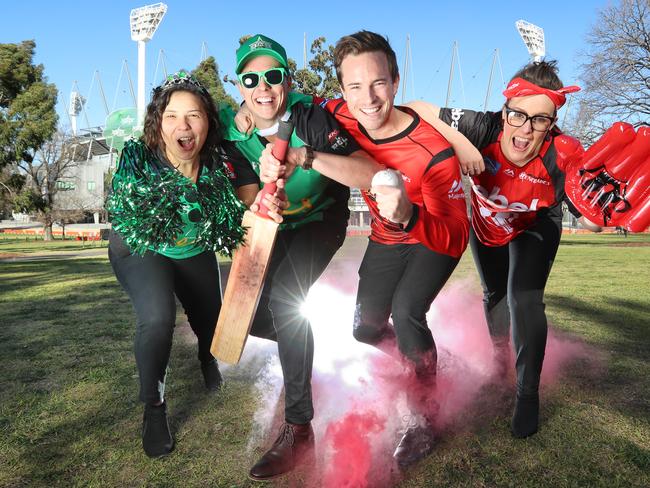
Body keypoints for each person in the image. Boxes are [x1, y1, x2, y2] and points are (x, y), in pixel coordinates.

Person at [409, 60, 602, 438]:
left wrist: (610, 210)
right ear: (504, 111)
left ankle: (527, 393)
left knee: (524, 299)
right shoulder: (483, 126)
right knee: (495, 294)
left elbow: (592, 220)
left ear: (552, 124)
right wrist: (461, 143)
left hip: (535, 223)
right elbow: (416, 108)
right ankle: (501, 367)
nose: (526, 129)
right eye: (518, 115)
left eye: (540, 121)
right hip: (487, 222)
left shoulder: (563, 154)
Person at [221, 34, 380, 481]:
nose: (263, 87)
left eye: (273, 75)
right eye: (251, 79)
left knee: (287, 298)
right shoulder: (233, 129)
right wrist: (258, 202)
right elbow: (251, 196)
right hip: (276, 225)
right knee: (238, 309)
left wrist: (303, 157)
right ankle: (302, 342)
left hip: (320, 219)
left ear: (286, 80)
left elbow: (369, 170)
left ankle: (299, 429)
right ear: (239, 88)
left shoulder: (311, 116)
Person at [107, 70, 282, 458]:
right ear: (158, 123)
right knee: (157, 318)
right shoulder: (138, 159)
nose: (182, 126)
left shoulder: (222, 160)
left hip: (193, 250)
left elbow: (253, 204)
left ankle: (207, 361)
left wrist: (265, 203)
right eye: (171, 116)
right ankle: (154, 407)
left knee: (210, 321)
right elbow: (124, 220)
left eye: (194, 116)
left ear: (207, 123)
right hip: (141, 249)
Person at [322, 31, 469, 467]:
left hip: (431, 236)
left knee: (406, 311)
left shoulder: (435, 153)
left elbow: (455, 236)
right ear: (342, 91)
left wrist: (410, 216)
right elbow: (289, 103)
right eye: (354, 87)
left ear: (396, 81)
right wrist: (250, 117)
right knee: (364, 328)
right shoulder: (338, 114)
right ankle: (415, 357)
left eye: (378, 83)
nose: (367, 99)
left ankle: (425, 416)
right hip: (385, 240)